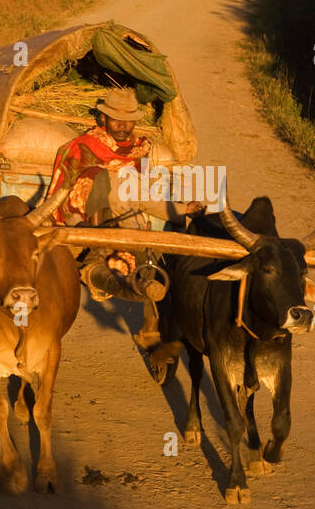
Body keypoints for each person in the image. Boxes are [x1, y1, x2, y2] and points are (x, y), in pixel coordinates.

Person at [46, 87, 204, 348]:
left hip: (124, 220)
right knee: (98, 175)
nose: (122, 126)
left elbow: (141, 196)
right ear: (103, 119)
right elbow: (67, 186)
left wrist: (182, 209)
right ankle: (97, 251)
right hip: (83, 222)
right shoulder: (85, 145)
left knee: (153, 258)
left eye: (128, 120)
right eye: (115, 119)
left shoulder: (139, 151)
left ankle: (152, 318)